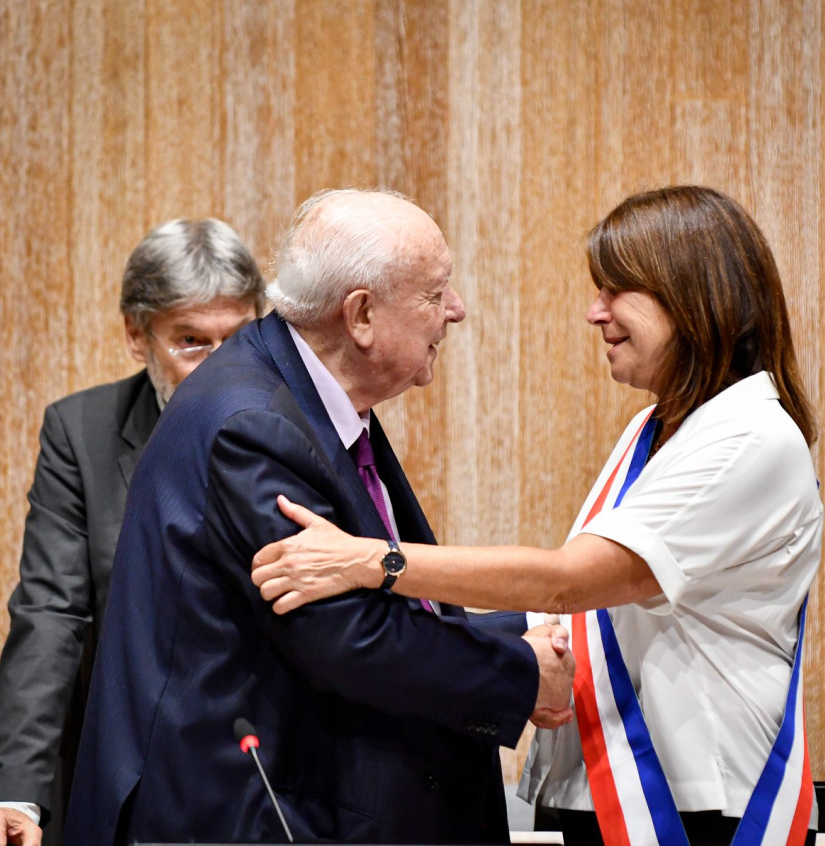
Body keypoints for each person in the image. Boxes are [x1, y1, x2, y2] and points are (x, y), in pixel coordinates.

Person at [252, 185, 823, 846]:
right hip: (616, 788)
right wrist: (511, 655)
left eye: (616, 290)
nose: (595, 312)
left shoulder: (749, 437)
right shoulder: (655, 427)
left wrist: (371, 561)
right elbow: (587, 616)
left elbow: (570, 582)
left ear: (693, 298)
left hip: (700, 802)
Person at [62, 188, 575, 846]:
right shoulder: (254, 424)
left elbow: (372, 602)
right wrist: (520, 671)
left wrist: (524, 629)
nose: (456, 309)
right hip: (243, 817)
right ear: (360, 315)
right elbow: (346, 636)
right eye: (433, 292)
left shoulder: (299, 394)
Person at [0, 219, 267, 846]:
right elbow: (50, 615)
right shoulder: (83, 433)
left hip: (267, 776)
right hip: (130, 776)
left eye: (237, 339)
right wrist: (14, 795)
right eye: (191, 341)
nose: (220, 368)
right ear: (136, 335)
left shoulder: (298, 426)